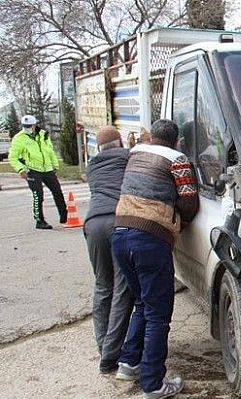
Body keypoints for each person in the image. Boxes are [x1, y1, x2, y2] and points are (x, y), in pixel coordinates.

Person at [111, 119, 199, 398]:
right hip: (149, 240)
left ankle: (128, 363)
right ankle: (153, 383)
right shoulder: (178, 159)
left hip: (120, 234)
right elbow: (189, 203)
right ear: (177, 141)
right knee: (158, 315)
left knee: (142, 303)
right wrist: (180, 222)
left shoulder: (136, 152)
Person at [83, 126, 134, 374]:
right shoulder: (127, 158)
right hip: (118, 222)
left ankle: (103, 345)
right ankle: (112, 355)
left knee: (103, 286)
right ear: (121, 142)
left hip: (93, 225)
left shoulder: (91, 166)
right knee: (123, 288)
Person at [8, 115, 67, 229]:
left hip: (48, 169)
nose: (28, 128)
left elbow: (50, 151)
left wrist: (55, 165)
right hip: (32, 170)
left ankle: (64, 216)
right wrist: (20, 169)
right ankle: (39, 220)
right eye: (25, 126)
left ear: (35, 125)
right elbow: (13, 157)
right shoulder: (19, 138)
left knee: (58, 193)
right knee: (38, 195)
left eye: (30, 126)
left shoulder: (43, 135)